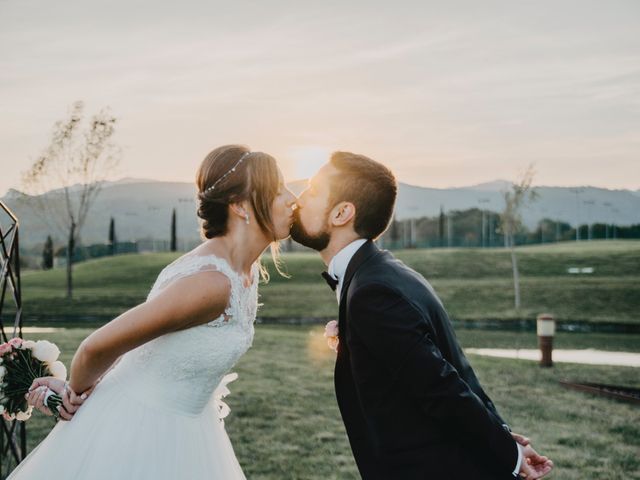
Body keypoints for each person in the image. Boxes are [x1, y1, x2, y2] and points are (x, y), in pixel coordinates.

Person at [13, 145, 296, 479]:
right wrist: (72, 394)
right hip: (139, 428)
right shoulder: (211, 283)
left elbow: (148, 345)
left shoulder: (241, 271)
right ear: (239, 206)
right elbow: (96, 346)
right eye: (279, 191)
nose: (293, 199)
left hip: (192, 427)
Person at [290, 151, 554, 480]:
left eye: (313, 191)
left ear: (342, 212)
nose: (298, 199)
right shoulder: (387, 273)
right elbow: (455, 372)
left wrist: (508, 456)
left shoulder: (373, 291)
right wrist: (503, 439)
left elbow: (442, 388)